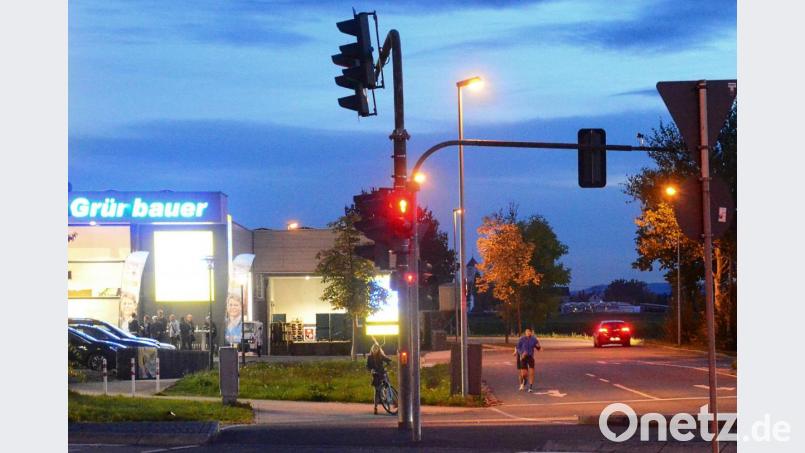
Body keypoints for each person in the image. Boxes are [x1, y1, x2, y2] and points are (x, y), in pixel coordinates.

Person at [366, 344, 392, 415]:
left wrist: (388, 362)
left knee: (387, 387)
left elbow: (388, 359)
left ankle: (388, 401)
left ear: (378, 350)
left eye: (376, 348)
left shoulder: (380, 356)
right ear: (371, 349)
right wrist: (371, 370)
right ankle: (375, 407)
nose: (375, 350)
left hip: (382, 373)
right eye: (374, 348)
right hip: (376, 375)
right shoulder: (369, 357)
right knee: (377, 391)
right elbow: (367, 366)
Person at [515, 328, 542, 392]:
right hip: (523, 357)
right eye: (527, 331)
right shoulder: (522, 339)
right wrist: (522, 353)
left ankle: (530, 387)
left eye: (529, 331)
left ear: (531, 332)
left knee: (531, 372)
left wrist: (539, 347)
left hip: (530, 357)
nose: (528, 333)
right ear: (525, 332)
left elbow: (538, 347)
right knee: (524, 374)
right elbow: (518, 347)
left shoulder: (534, 339)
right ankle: (524, 380)